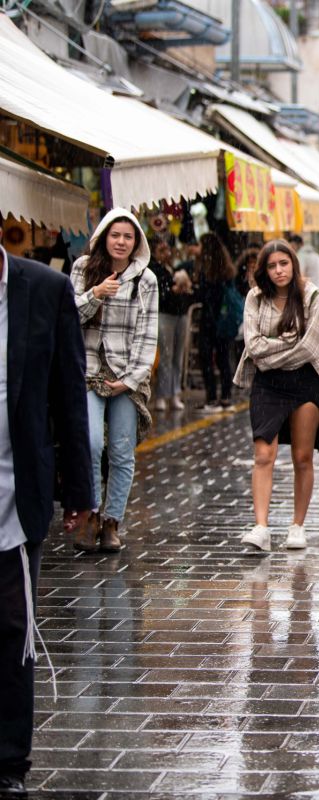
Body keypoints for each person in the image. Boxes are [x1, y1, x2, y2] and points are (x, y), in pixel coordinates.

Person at [0, 245, 93, 797]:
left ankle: (9, 762)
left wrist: (78, 489)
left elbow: (68, 393)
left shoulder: (44, 289)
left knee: (13, 625)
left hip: (17, 488)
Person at [71, 208, 158, 553]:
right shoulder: (83, 268)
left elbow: (147, 334)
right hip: (88, 369)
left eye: (128, 236)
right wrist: (96, 294)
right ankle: (90, 514)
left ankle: (112, 521)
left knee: (121, 450)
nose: (121, 242)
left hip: (126, 374)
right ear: (104, 237)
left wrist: (131, 379)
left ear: (137, 242)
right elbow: (69, 316)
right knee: (91, 444)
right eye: (115, 235)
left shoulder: (145, 279)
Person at [233, 240, 319, 553]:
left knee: (302, 457)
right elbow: (253, 347)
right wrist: (287, 343)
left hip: (305, 381)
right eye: (272, 266)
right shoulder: (255, 297)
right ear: (264, 270)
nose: (278, 271)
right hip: (268, 384)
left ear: (293, 264)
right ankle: (261, 527)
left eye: (283, 264)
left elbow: (309, 348)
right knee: (263, 455)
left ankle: (297, 526)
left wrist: (272, 347)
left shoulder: (311, 296)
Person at [192, 234, 239, 412]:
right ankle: (226, 397)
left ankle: (212, 398)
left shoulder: (207, 270)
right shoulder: (226, 270)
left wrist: (193, 290)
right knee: (223, 359)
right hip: (224, 321)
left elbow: (204, 296)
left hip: (210, 321)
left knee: (206, 358)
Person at [147, 236, 192, 411]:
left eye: (167, 249)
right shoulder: (154, 270)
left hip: (180, 313)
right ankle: (162, 395)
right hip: (165, 313)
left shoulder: (172, 268)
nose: (166, 253)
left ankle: (175, 393)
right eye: (162, 250)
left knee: (177, 356)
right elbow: (160, 294)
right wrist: (172, 291)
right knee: (166, 355)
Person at [290, 234, 319, 316]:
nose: (292, 249)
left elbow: (298, 275)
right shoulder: (318, 256)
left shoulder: (300, 256)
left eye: (292, 246)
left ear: (300, 245)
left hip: (306, 296)